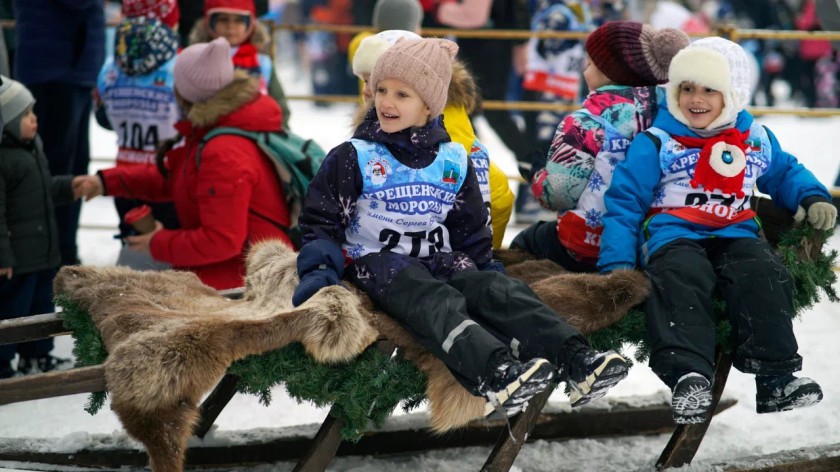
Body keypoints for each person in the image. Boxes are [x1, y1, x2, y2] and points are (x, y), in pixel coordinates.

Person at [292, 37, 629, 417]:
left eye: (402, 94)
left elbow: (469, 227)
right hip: (377, 263)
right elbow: (321, 222)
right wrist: (319, 270)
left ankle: (577, 359)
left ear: (429, 105)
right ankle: (494, 371)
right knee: (435, 300)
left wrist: (483, 269)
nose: (386, 102)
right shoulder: (354, 156)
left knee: (495, 289)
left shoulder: (453, 158)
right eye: (382, 90)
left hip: (439, 258)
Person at [598, 37, 837, 424]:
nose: (697, 98)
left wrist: (811, 195)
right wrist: (618, 266)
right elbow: (624, 204)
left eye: (711, 89)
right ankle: (688, 375)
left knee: (761, 270)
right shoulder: (658, 143)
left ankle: (776, 377)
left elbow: (785, 171)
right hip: (674, 234)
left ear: (734, 94)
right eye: (687, 88)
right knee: (680, 276)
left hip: (736, 233)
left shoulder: (754, 138)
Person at [74, 38, 294, 290]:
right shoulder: (215, 128)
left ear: (189, 93)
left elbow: (221, 240)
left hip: (243, 285)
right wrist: (106, 182)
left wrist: (157, 242)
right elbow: (177, 178)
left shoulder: (223, 151)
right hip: (235, 271)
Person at [511, 21, 690, 272]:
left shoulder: (586, 122)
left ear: (609, 71)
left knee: (527, 241)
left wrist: (538, 174)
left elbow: (559, 194)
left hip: (589, 244)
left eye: (590, 63)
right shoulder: (676, 114)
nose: (584, 71)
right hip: (656, 241)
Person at [351, 30, 514, 250]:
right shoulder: (430, 120)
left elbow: (497, 194)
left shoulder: (432, 138)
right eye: (364, 81)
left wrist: (480, 254)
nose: (366, 90)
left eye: (374, 81)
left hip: (426, 257)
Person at [0, 77, 82, 378]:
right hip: (16, 261)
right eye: (25, 115)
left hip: (41, 254)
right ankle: (2, 362)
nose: (34, 120)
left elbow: (43, 191)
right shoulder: (5, 160)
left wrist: (68, 187)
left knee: (40, 307)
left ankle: (37, 356)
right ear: (5, 122)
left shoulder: (32, 151)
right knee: (11, 312)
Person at [14, 0, 105, 266]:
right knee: (58, 170)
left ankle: (60, 254)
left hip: (67, 67)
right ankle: (54, 258)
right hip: (56, 68)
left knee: (70, 169)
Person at [95, 2, 182, 270]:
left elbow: (103, 117)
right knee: (172, 258)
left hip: (124, 176)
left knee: (133, 253)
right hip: (168, 177)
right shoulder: (180, 64)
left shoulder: (111, 65)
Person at [189, 0, 291, 131]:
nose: (231, 27)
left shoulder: (262, 63)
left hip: (256, 136)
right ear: (210, 23)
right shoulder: (195, 60)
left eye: (239, 20)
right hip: (209, 135)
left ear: (250, 24)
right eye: (223, 20)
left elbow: (281, 108)